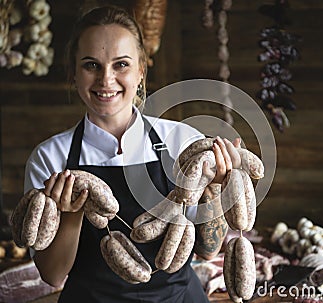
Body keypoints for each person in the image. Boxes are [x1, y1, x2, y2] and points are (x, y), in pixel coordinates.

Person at [23, 5, 241, 303]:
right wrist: (71, 216)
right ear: (73, 72)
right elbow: (52, 275)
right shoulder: (51, 158)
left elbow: (207, 249)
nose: (106, 80)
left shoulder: (183, 141)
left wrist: (217, 189)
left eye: (121, 64)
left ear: (141, 71)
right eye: (91, 65)